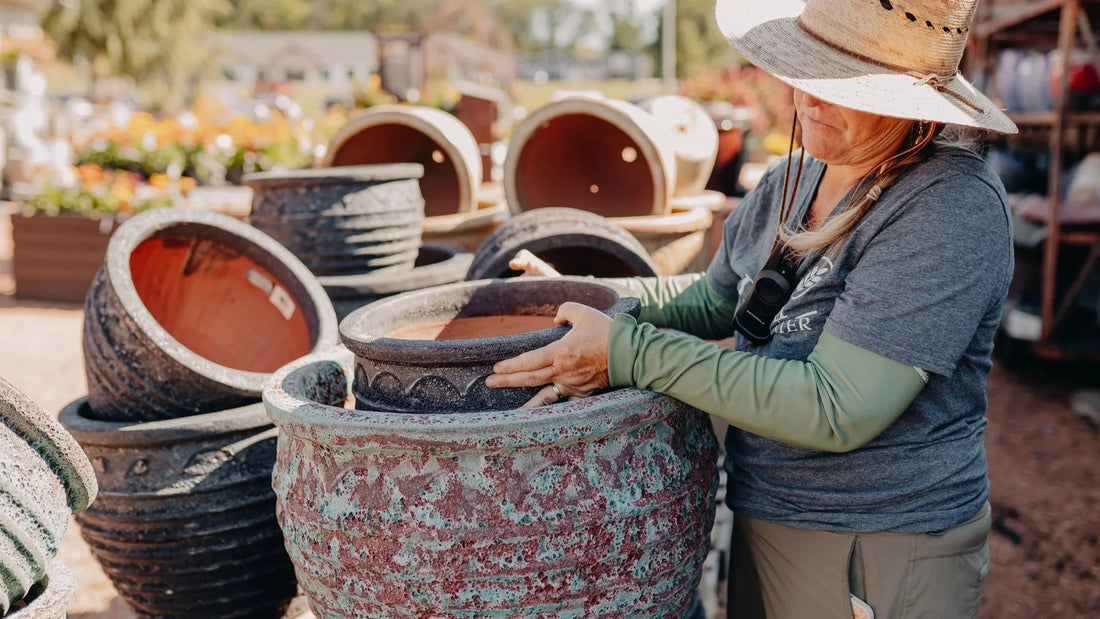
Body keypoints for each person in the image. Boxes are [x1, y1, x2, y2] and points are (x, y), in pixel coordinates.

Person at [486, 0, 1018, 616]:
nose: (809, 99)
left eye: (843, 84)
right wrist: (584, 293)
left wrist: (628, 351)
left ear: (910, 104)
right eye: (806, 72)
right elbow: (716, 300)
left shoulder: (949, 207)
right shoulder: (795, 179)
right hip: (767, 509)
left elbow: (835, 407)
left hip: (878, 541)